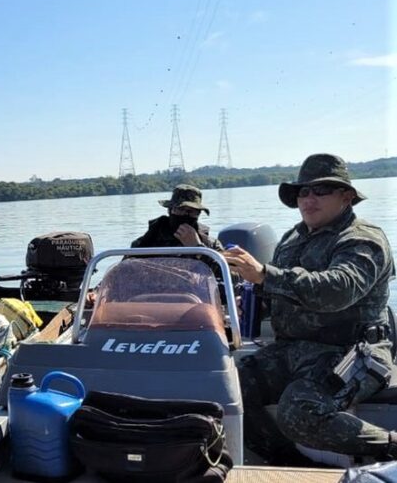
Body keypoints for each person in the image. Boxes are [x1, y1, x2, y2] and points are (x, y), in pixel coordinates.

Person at [225, 153, 396, 464]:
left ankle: (391, 446)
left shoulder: (363, 240)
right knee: (226, 388)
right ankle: (285, 464)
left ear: (346, 197)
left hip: (352, 352)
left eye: (321, 191)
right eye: (303, 192)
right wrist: (251, 301)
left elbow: (337, 290)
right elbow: (280, 293)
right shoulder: (292, 238)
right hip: (293, 349)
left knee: (299, 409)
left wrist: (265, 274)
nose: (309, 199)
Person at [131, 184, 225, 251]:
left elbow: (233, 274)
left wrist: (198, 249)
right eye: (180, 209)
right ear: (169, 210)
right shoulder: (147, 242)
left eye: (192, 211)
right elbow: (124, 270)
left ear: (198, 214)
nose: (185, 215)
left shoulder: (211, 244)